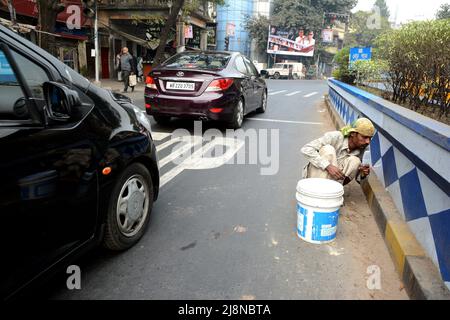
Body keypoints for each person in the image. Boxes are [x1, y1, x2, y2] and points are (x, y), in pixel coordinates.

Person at [300, 118, 375, 185]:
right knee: (328, 149)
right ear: (353, 134)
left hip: (335, 180)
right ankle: (317, 189)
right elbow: (306, 149)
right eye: (364, 137)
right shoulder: (335, 137)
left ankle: (334, 190)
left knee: (355, 161)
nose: (368, 142)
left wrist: (362, 174)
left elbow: (355, 175)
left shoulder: (361, 147)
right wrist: (328, 166)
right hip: (316, 176)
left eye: (370, 138)